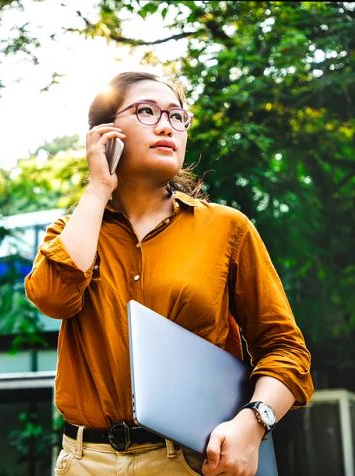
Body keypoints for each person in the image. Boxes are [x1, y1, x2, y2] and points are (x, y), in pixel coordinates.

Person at [24, 72, 313, 475]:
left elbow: (286, 349)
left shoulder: (228, 228)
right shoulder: (73, 231)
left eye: (177, 117)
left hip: (193, 461)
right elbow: (53, 298)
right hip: (85, 461)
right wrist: (97, 189)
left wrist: (253, 422)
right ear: (106, 134)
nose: (166, 125)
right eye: (147, 111)